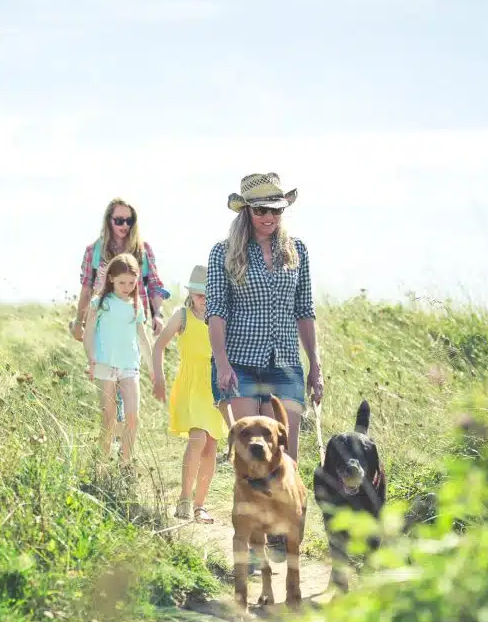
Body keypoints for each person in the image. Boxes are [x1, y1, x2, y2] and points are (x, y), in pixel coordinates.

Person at [206, 172, 324, 552]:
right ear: (247, 211)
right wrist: (222, 364)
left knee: (285, 456)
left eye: (275, 209)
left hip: (286, 362)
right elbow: (217, 313)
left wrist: (315, 364)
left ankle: (283, 532)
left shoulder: (298, 251)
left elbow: (304, 310)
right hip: (239, 361)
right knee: (250, 457)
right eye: (260, 209)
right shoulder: (222, 253)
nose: (268, 216)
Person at [69, 197, 170, 427]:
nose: (125, 225)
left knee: (127, 375)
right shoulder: (94, 252)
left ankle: (121, 435)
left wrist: (157, 314)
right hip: (104, 322)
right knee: (108, 388)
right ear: (108, 221)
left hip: (133, 319)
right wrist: (79, 321)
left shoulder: (143, 250)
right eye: (119, 220)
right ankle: (113, 433)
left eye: (129, 220)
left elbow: (153, 284)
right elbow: (86, 288)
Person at [152, 265, 227, 522]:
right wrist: (159, 377)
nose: (203, 299)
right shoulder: (181, 316)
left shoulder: (222, 318)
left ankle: (200, 506)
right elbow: (158, 346)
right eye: (198, 294)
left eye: (208, 294)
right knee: (197, 439)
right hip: (191, 386)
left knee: (211, 445)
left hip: (216, 387)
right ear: (191, 294)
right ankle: (184, 499)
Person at [83, 253, 153, 463]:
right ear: (111, 278)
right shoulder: (100, 303)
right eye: (122, 282)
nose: (127, 287)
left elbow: (142, 337)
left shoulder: (136, 304)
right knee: (109, 419)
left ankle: (125, 464)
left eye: (132, 282)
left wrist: (152, 367)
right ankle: (102, 465)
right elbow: (88, 334)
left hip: (130, 366)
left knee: (132, 417)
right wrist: (92, 359)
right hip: (105, 365)